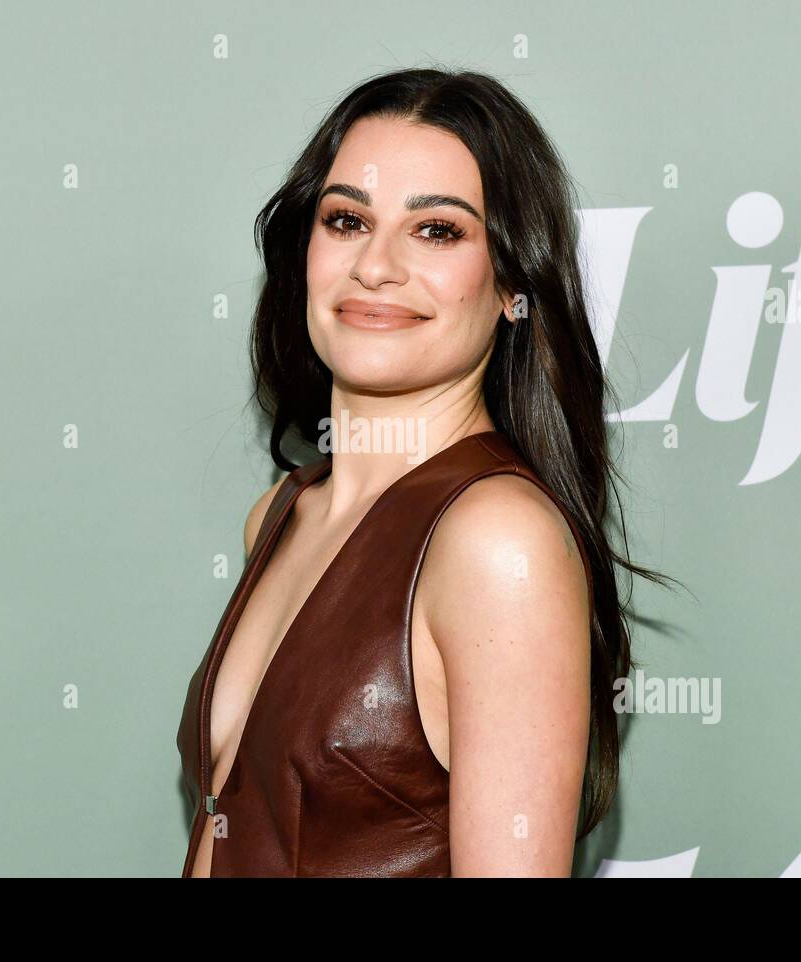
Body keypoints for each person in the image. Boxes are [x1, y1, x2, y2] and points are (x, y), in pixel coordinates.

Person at [175, 67, 676, 877]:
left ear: (512, 282)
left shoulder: (497, 542)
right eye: (346, 220)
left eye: (436, 230)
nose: (375, 266)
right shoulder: (282, 512)